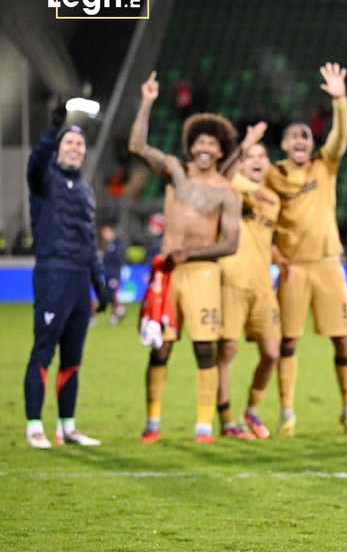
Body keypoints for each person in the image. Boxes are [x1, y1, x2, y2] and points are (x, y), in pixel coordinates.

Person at [129, 71, 241, 444]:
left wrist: (190, 251)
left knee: (204, 348)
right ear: (191, 147)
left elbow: (230, 243)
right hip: (167, 273)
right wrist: (147, 101)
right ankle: (152, 422)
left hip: (203, 275)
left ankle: (203, 424)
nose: (205, 147)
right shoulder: (175, 172)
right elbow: (137, 146)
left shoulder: (226, 193)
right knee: (160, 346)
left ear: (222, 151)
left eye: (212, 142)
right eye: (199, 141)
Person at [265, 62, 347, 436]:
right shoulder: (273, 174)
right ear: (285, 145)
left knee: (343, 338)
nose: (301, 142)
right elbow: (263, 217)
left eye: (306, 137)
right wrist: (273, 254)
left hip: (327, 264)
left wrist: (340, 101)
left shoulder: (326, 165)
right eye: (294, 138)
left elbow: (341, 136)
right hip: (293, 268)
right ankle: (287, 412)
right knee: (288, 340)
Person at [23, 109, 112, 449]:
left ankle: (68, 427)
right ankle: (34, 426)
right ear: (59, 148)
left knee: (73, 357)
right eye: (69, 142)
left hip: (78, 283)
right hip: (52, 275)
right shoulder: (44, 181)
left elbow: (90, 243)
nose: (75, 147)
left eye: (80, 142)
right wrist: (53, 128)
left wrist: (100, 286)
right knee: (43, 352)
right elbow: (36, 161)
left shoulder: (86, 191)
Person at [214, 123, 282, 439]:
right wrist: (244, 144)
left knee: (271, 352)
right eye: (250, 156)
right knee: (227, 350)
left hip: (262, 284)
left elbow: (265, 237)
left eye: (262, 155)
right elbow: (224, 177)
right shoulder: (231, 189)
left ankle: (251, 410)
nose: (256, 160)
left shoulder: (273, 198)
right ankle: (227, 419)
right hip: (232, 279)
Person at [98, 224, 127, 325]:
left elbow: (118, 258)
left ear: (110, 231)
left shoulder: (117, 242)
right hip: (108, 272)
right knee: (109, 294)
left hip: (114, 273)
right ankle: (118, 310)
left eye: (105, 232)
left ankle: (116, 313)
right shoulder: (108, 244)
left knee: (112, 293)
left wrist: (105, 256)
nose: (104, 235)